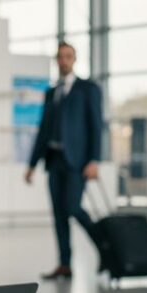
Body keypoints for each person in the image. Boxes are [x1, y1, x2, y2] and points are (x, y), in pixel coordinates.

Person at [25, 42, 103, 280]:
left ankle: (105, 246)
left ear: (75, 59)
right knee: (59, 214)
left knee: (72, 207)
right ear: (56, 60)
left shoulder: (88, 89)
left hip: (77, 162)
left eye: (68, 56)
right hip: (54, 160)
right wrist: (32, 164)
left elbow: (96, 126)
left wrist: (94, 160)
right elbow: (43, 130)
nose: (64, 61)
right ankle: (65, 264)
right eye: (60, 57)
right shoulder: (52, 92)